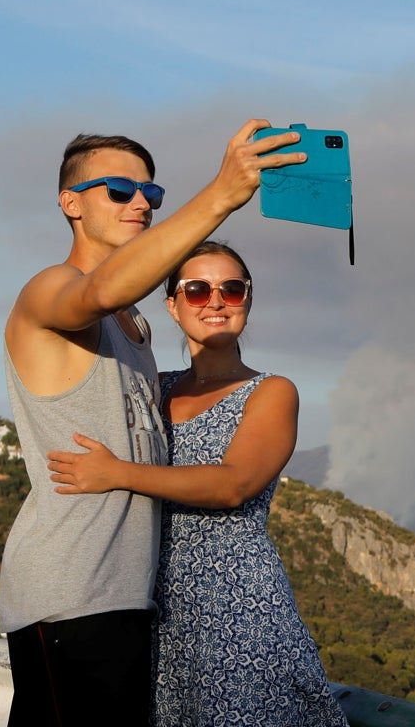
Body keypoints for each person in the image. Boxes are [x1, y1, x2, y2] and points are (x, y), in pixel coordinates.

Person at [0, 124, 305, 727]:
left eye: (151, 193)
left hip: (128, 600)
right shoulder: (51, 290)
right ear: (71, 203)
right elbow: (101, 287)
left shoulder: (131, 328)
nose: (140, 202)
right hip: (70, 594)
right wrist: (221, 194)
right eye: (117, 190)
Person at [44, 240, 348, 726]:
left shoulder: (271, 392)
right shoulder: (154, 388)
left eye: (231, 289)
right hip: (157, 612)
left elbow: (233, 485)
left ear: (247, 301)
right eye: (197, 290)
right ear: (172, 305)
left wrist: (117, 474)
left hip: (238, 608)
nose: (215, 301)